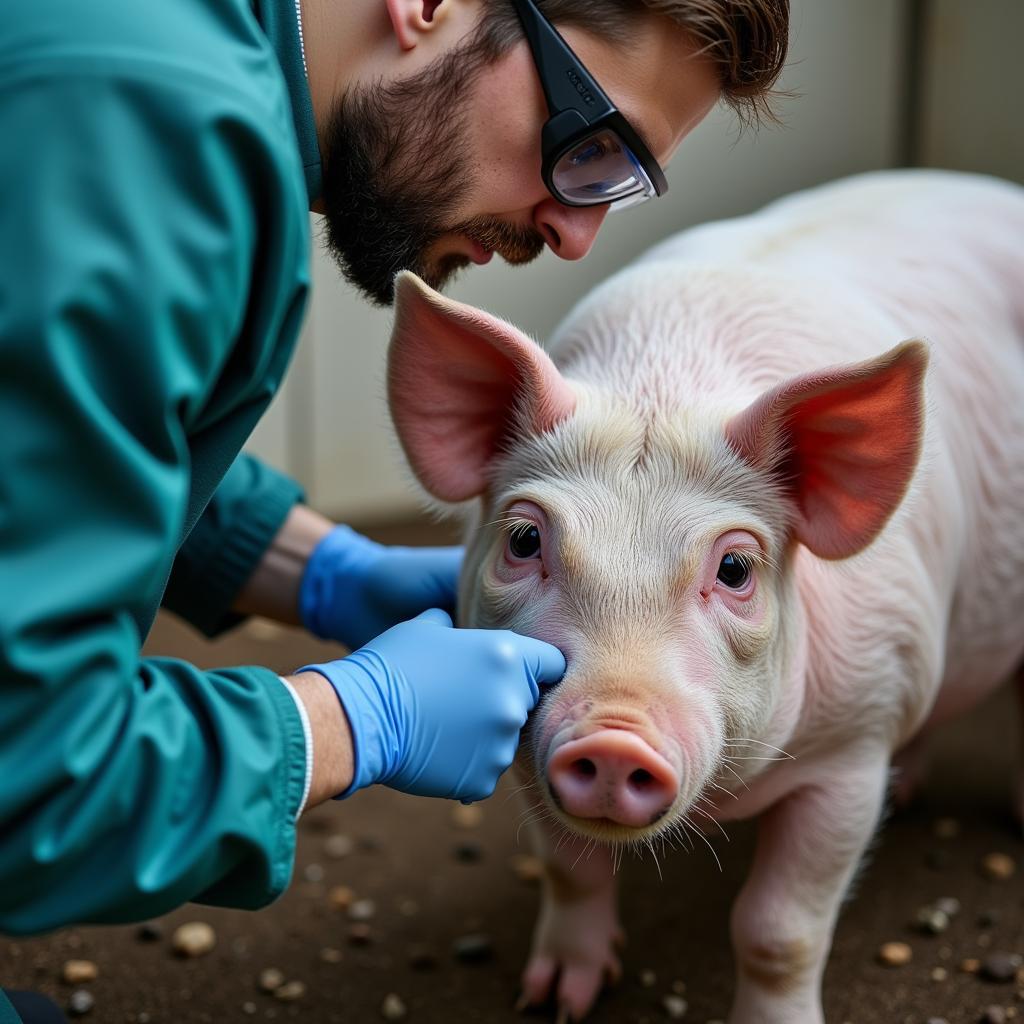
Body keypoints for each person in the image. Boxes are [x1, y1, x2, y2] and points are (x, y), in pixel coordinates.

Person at [0, 0, 788, 1004]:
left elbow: (57, 442)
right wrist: (350, 720)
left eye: (617, 186)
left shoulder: (174, 61)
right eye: (589, 145)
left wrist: (323, 574)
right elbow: (27, 773)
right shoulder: (167, 141)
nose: (576, 233)